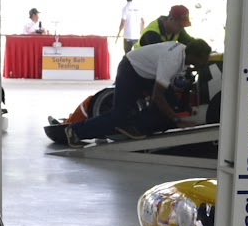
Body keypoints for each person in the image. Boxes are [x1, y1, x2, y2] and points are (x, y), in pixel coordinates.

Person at [56, 38, 211, 146]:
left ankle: (135, 125)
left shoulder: (183, 50)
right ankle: (75, 131)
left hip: (147, 73)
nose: (205, 62)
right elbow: (157, 96)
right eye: (203, 59)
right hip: (130, 69)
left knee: (171, 100)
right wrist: (176, 119)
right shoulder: (172, 60)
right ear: (194, 56)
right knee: (119, 116)